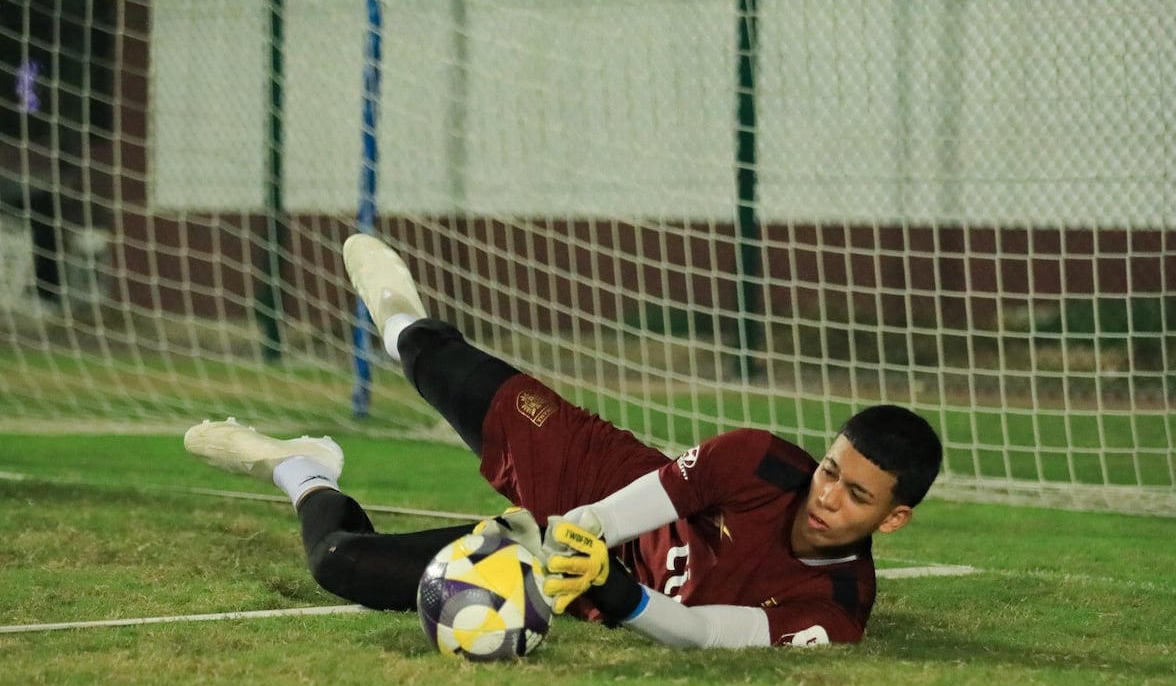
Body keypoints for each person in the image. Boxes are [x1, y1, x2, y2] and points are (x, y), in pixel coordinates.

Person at [185, 234, 943, 649]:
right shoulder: (761, 460)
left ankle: (303, 468)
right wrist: (582, 537)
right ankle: (397, 313)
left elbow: (714, 631)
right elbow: (632, 508)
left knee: (339, 563)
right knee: (437, 364)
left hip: (589, 586)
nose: (826, 495)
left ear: (893, 516)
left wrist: (619, 594)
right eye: (831, 470)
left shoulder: (838, 608)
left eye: (855, 495)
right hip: (603, 490)